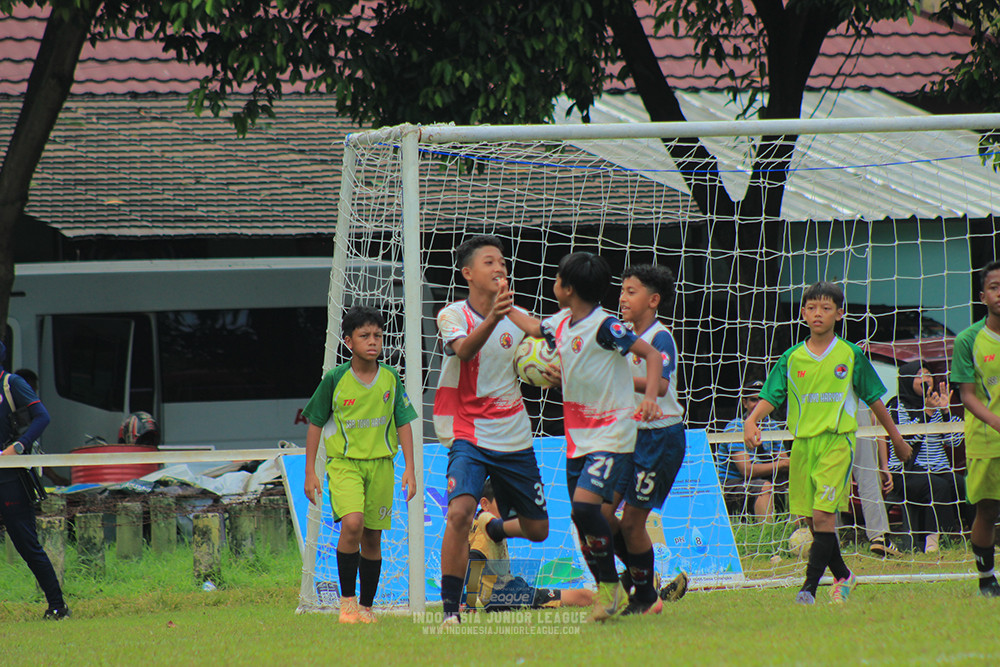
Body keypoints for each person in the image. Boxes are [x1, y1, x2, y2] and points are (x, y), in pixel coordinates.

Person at [512, 252, 665, 621]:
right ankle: (643, 590)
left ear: (567, 288)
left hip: (613, 436)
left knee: (584, 507)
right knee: (588, 520)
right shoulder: (561, 322)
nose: (554, 285)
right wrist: (504, 308)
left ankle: (609, 588)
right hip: (578, 438)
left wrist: (648, 398)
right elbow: (534, 329)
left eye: (557, 279)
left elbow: (652, 356)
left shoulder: (604, 326)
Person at [744, 281, 911, 605]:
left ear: (839, 313)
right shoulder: (792, 358)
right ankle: (844, 575)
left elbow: (874, 399)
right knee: (810, 519)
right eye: (812, 307)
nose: (818, 313)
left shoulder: (849, 355)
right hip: (803, 446)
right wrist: (752, 420)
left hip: (836, 443)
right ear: (803, 313)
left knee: (823, 516)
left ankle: (808, 588)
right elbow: (771, 394)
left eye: (826, 307)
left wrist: (896, 438)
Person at [432, 235, 550, 624]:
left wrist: (551, 370)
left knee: (538, 529)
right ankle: (452, 611)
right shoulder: (452, 315)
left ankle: (496, 528)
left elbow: (546, 340)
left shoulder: (518, 319)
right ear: (467, 273)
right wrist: (496, 318)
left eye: (502, 261)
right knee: (459, 513)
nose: (499, 267)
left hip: (514, 437)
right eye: (488, 262)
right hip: (469, 434)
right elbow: (463, 350)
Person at [302, 305, 417, 624]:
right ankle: (348, 602)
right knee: (352, 524)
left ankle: (367, 607)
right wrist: (310, 470)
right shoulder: (335, 379)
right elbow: (314, 422)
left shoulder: (391, 378)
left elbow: (404, 421)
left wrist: (409, 467)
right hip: (345, 465)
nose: (373, 341)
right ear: (349, 341)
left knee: (372, 537)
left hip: (381, 466)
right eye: (365, 335)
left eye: (378, 335)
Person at [610, 264, 688, 614]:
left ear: (653, 300)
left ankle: (643, 594)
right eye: (623, 290)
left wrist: (612, 381)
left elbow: (661, 385)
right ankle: (644, 582)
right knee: (596, 512)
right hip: (628, 436)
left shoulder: (660, 336)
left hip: (660, 437)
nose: (623, 297)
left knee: (631, 522)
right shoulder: (620, 335)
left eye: (631, 291)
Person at [0, 341, 70, 619]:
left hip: (11, 477)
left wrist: (17, 447)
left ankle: (57, 605)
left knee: (26, 543)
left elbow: (42, 417)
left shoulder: (11, 383)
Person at [466, 478, 594, 611]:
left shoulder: (479, 524)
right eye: (503, 502)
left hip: (505, 591)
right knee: (582, 596)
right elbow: (474, 560)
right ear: (485, 504)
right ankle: (609, 600)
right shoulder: (484, 531)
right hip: (504, 596)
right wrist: (470, 604)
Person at [950, 260, 1000, 597]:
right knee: (987, 509)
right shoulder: (969, 340)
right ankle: (986, 578)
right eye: (995, 287)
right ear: (983, 296)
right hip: (987, 440)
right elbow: (967, 396)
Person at [886, 361, 968, 553]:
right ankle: (934, 540)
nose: (926, 379)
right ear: (907, 380)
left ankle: (966, 536)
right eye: (920, 375)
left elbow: (954, 441)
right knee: (937, 486)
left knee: (962, 485)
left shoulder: (936, 401)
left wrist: (945, 410)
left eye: (929, 374)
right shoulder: (897, 406)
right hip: (906, 471)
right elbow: (904, 444)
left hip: (938, 468)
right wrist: (927, 413)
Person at [719, 379, 789, 521]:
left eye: (762, 400)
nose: (758, 405)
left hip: (761, 480)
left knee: (796, 480)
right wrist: (783, 464)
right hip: (733, 485)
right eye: (753, 400)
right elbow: (746, 470)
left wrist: (786, 464)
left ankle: (799, 529)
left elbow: (784, 459)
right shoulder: (736, 427)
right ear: (745, 403)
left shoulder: (772, 426)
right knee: (764, 486)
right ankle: (767, 535)